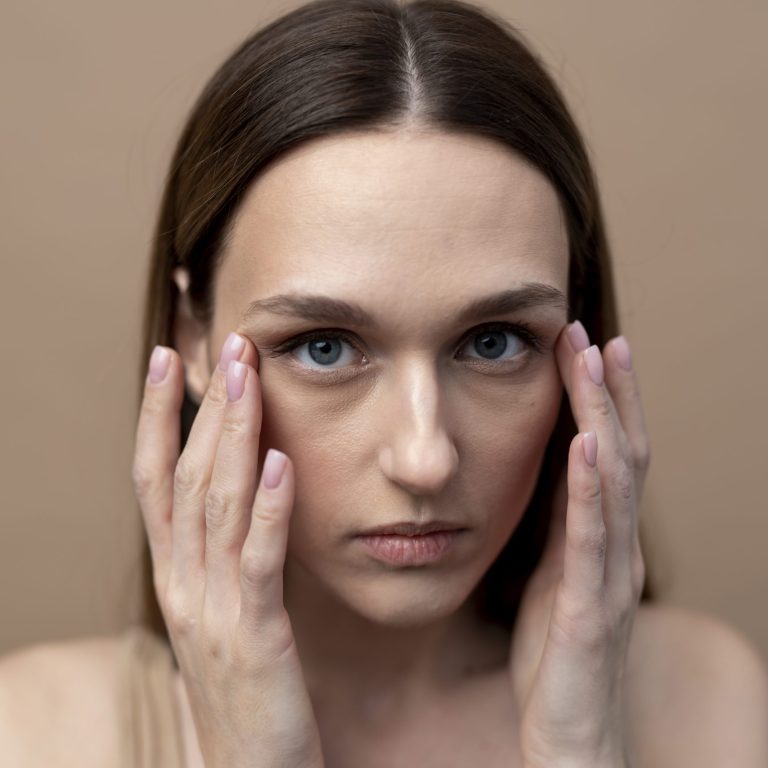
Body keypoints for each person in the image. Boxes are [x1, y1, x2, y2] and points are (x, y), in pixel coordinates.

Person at [2, 0, 767, 765]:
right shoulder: (34, 735)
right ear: (192, 339)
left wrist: (579, 749)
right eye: (326, 347)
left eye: (493, 343)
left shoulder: (707, 700)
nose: (424, 458)